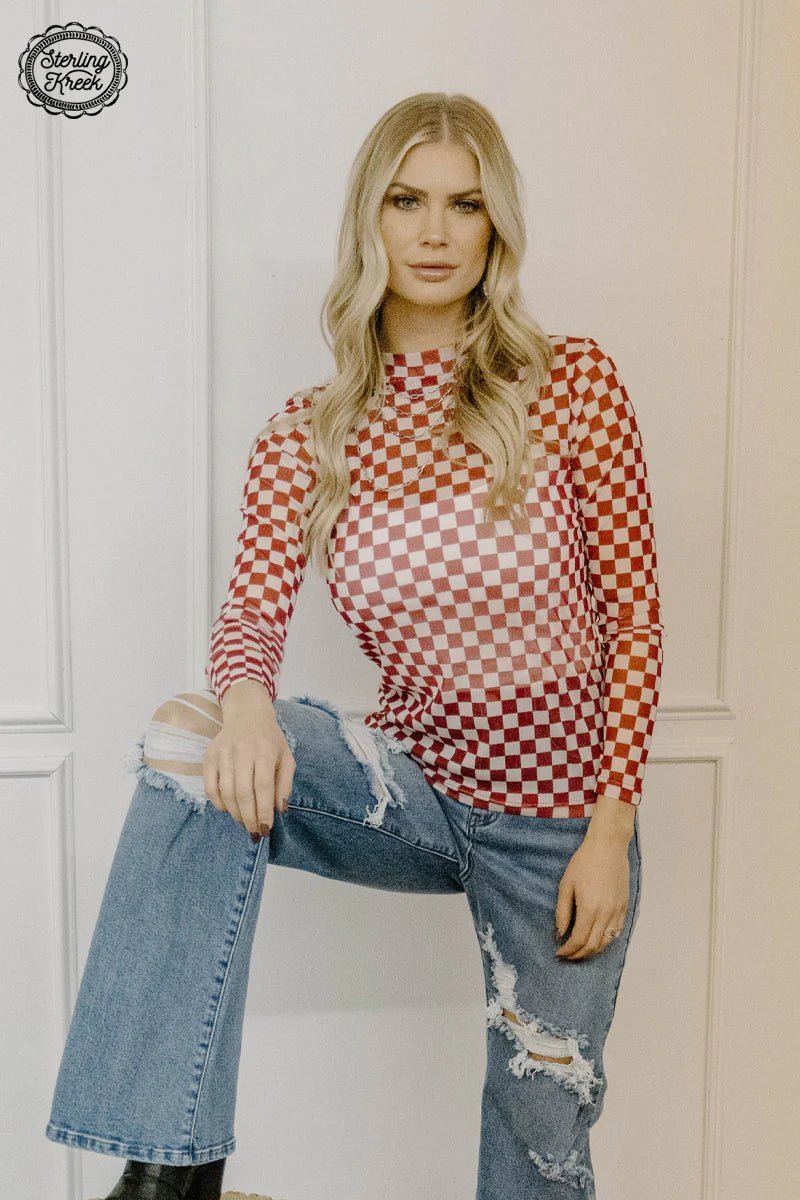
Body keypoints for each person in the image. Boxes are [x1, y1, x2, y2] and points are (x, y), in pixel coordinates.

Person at [44, 92, 665, 1200]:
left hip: (559, 827)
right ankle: (169, 1176)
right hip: (410, 790)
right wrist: (245, 705)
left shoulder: (571, 385)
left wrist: (610, 829)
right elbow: (250, 614)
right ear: (368, 219)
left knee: (542, 1133)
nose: (434, 233)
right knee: (187, 744)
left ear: (495, 225)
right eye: (406, 201)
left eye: (464, 205)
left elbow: (634, 618)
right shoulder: (309, 432)